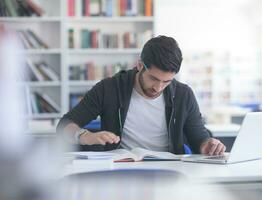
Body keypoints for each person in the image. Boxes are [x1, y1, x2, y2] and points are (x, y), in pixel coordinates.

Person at [57, 35, 226, 155]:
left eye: (166, 81)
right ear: (139, 65)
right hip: (119, 169)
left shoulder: (183, 94)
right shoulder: (109, 88)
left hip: (170, 170)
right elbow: (65, 125)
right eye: (153, 78)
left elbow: (199, 137)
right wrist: (85, 136)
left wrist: (206, 145)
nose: (158, 88)